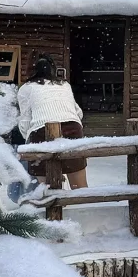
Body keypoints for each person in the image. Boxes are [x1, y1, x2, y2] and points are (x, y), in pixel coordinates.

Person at [17, 56, 88, 189]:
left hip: (41, 132)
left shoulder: (26, 89)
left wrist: (25, 136)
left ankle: (54, 205)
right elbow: (78, 113)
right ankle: (85, 208)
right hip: (72, 128)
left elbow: (25, 123)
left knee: (48, 188)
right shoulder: (64, 85)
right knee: (79, 186)